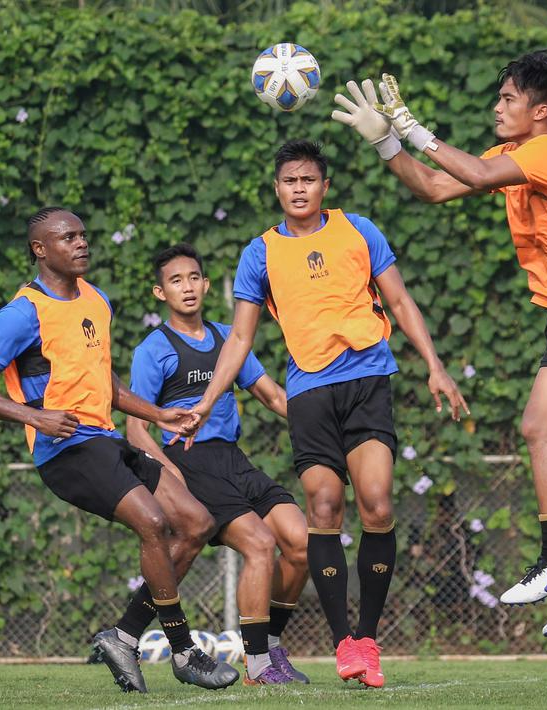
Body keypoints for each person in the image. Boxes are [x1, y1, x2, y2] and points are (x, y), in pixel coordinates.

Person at [332, 50, 547, 637]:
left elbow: (474, 173)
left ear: (540, 111)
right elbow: (439, 187)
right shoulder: (512, 156)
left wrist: (412, 126)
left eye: (508, 100)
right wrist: (387, 144)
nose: (496, 108)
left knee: (535, 427)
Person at [183, 141, 468, 688]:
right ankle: (343, 643)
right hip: (310, 391)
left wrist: (435, 364)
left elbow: (401, 302)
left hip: (368, 382)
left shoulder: (359, 230)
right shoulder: (259, 253)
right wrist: (206, 400)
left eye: (308, 180)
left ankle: (367, 638)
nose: (298, 188)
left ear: (324, 188)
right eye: (289, 180)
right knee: (324, 504)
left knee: (379, 504)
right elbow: (240, 337)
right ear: (277, 189)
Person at [0, 207, 237, 693]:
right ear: (40, 249)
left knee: (197, 523)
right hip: (64, 449)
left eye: (83, 235)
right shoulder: (25, 310)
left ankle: (123, 637)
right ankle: (185, 651)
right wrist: (35, 416)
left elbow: (101, 379)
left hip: (104, 438)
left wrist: (157, 413)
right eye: (67, 238)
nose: (81, 244)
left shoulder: (96, 300)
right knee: (152, 522)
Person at [121, 243, 309, 686]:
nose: (186, 287)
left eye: (193, 278)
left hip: (234, 459)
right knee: (260, 544)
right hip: (191, 463)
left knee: (302, 543)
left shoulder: (230, 338)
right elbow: (136, 430)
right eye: (175, 281)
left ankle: (271, 648)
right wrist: (171, 475)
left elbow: (273, 396)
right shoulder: (154, 349)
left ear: (206, 285)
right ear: (159, 292)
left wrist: (323, 424)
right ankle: (257, 664)